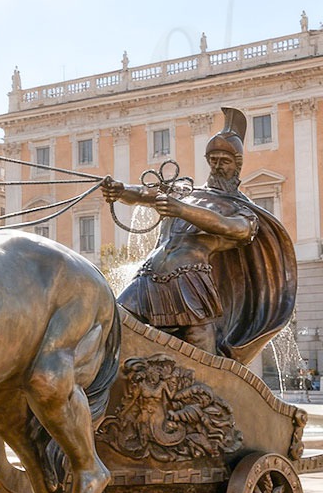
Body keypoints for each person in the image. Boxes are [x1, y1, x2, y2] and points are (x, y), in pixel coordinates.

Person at [103, 107, 296, 363]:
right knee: (117, 327)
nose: (217, 166)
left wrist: (181, 209)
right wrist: (121, 190)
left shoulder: (240, 208)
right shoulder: (186, 191)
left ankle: (217, 398)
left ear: (237, 165)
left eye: (224, 161)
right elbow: (147, 194)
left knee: (202, 351)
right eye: (213, 160)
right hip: (150, 274)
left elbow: (236, 229)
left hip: (191, 280)